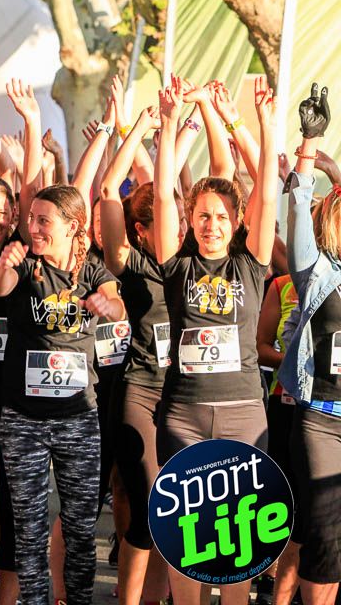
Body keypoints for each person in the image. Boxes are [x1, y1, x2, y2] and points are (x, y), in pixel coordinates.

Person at [0, 81, 125, 605]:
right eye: (31, 219)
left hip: (77, 417)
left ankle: (80, 599)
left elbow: (116, 303)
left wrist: (109, 307)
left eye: (45, 221)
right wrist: (5, 266)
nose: (33, 225)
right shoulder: (24, 260)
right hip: (21, 417)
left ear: (73, 228)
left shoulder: (91, 267)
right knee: (27, 529)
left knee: (82, 526)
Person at [151, 77, 278, 605]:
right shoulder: (176, 265)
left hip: (246, 414)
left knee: (236, 544)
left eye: (221, 216)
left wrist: (262, 126)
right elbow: (161, 192)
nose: (210, 224)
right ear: (190, 220)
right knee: (188, 539)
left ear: (236, 224)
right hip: (182, 416)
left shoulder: (251, 264)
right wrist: (167, 123)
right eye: (202, 215)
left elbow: (267, 190)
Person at [98, 106, 178, 605]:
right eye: (161, 219)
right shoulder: (127, 263)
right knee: (149, 500)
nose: (179, 224)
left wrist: (179, 132)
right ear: (140, 228)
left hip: (189, 392)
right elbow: (109, 192)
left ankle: (165, 596)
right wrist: (139, 132)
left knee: (180, 504)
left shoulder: (192, 261)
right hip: (140, 388)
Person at [278, 84, 341, 605]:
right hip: (321, 419)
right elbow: (300, 204)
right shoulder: (317, 272)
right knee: (323, 536)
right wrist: (309, 143)